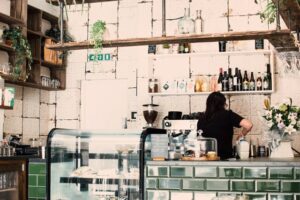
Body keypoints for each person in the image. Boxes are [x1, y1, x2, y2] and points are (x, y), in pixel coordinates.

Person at [197, 92, 253, 159]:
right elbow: (249, 125)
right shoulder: (228, 115)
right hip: (224, 160)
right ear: (223, 103)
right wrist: (242, 134)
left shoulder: (201, 118)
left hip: (206, 160)